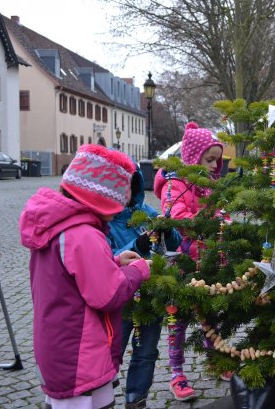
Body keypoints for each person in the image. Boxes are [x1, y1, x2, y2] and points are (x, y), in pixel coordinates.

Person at [19, 144, 152, 409]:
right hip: (80, 352)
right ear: (100, 199)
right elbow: (109, 294)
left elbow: (71, 275)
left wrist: (113, 261)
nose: (121, 209)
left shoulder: (59, 227)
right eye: (118, 202)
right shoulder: (84, 234)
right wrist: (139, 270)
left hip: (60, 345)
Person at [153, 121, 227, 401]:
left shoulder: (210, 186)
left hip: (209, 261)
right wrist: (208, 221)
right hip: (183, 264)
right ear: (194, 157)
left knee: (211, 315)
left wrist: (225, 222)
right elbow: (175, 216)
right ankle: (176, 373)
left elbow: (222, 213)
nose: (213, 166)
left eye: (216, 161)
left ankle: (215, 360)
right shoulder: (175, 184)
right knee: (178, 320)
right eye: (209, 159)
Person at [107, 161, 183, 408]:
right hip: (120, 301)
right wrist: (137, 246)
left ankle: (136, 399)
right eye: (117, 188)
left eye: (128, 187)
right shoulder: (104, 223)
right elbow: (106, 259)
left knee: (146, 351)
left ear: (136, 187)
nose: (123, 194)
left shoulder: (146, 213)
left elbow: (174, 245)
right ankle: (102, 390)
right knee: (111, 348)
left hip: (150, 298)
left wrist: (168, 230)